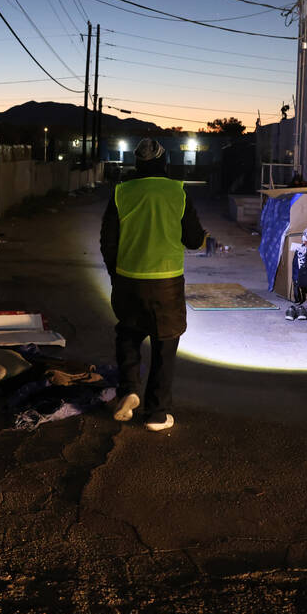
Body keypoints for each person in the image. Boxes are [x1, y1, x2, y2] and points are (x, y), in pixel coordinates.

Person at [99, 138, 206, 432]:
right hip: (167, 281)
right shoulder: (177, 191)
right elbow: (194, 239)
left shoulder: (122, 192)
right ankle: (157, 414)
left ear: (138, 163)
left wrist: (116, 274)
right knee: (165, 343)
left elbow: (107, 240)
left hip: (128, 280)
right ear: (164, 162)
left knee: (128, 334)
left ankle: (130, 389)